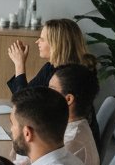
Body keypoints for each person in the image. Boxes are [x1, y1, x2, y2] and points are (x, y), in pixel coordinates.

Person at [6, 17, 101, 148]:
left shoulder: (69, 78)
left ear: (56, 44)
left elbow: (25, 106)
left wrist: (19, 65)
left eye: (42, 39)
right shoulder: (50, 67)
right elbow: (27, 96)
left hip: (72, 145)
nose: (37, 42)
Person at [12, 64, 101, 165]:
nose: (46, 93)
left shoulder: (71, 141)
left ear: (68, 99)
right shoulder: (73, 126)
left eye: (52, 89)